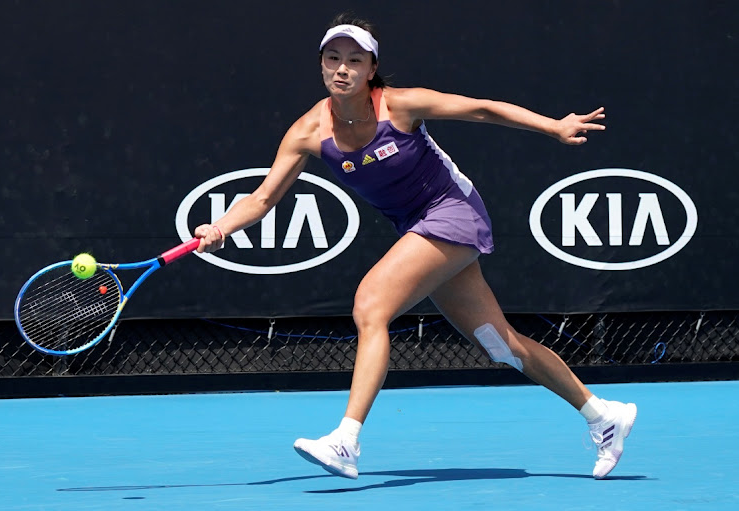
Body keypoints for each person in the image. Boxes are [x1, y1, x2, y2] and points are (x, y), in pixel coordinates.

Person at [194, 13, 637, 480]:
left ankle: (346, 439)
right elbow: (263, 198)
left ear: (371, 69)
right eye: (332, 59)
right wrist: (220, 228)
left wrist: (551, 126)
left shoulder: (400, 106)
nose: (341, 69)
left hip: (453, 211)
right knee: (501, 345)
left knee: (370, 305)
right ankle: (603, 415)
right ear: (322, 66)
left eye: (353, 60)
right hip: (418, 225)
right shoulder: (308, 132)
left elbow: (482, 108)